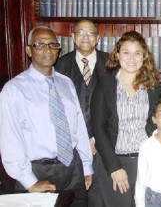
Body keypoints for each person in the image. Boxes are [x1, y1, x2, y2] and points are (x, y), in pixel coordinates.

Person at [0, 26, 93, 206]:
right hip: (37, 171)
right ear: (28, 50)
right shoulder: (13, 90)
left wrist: (86, 165)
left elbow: (78, 127)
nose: (47, 50)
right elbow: (9, 140)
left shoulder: (66, 83)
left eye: (52, 45)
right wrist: (29, 181)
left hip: (73, 169)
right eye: (39, 45)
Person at [91, 31, 161, 206]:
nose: (131, 58)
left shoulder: (155, 85)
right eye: (126, 52)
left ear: (144, 56)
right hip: (115, 162)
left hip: (148, 162)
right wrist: (114, 167)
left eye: (137, 53)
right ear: (117, 55)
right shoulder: (105, 84)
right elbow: (98, 127)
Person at [55, 19, 108, 206]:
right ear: (73, 36)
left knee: (100, 199)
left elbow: (115, 105)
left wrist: (96, 139)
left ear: (98, 38)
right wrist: (80, 141)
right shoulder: (60, 65)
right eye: (80, 32)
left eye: (91, 32)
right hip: (71, 147)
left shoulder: (111, 63)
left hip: (104, 146)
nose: (85, 37)